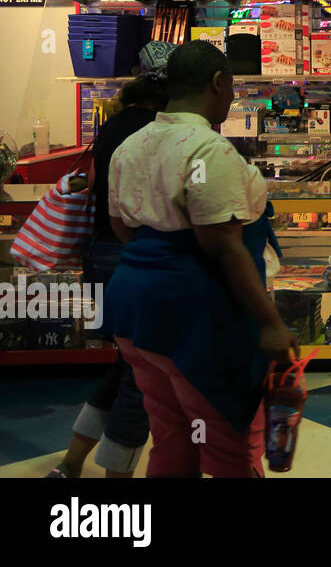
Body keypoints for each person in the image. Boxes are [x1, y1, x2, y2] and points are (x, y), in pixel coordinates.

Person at [104, 40, 299, 477]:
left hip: (133, 313)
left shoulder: (130, 146)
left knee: (174, 438)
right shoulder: (208, 149)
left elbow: (123, 229)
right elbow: (223, 244)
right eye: (231, 87)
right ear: (218, 82)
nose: (232, 97)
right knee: (229, 446)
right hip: (193, 317)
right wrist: (270, 323)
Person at [47, 45, 172, 478]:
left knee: (127, 365)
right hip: (138, 256)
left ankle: (69, 464)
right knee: (144, 377)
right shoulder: (160, 129)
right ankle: (116, 476)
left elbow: (101, 192)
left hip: (101, 255)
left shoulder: (114, 123)